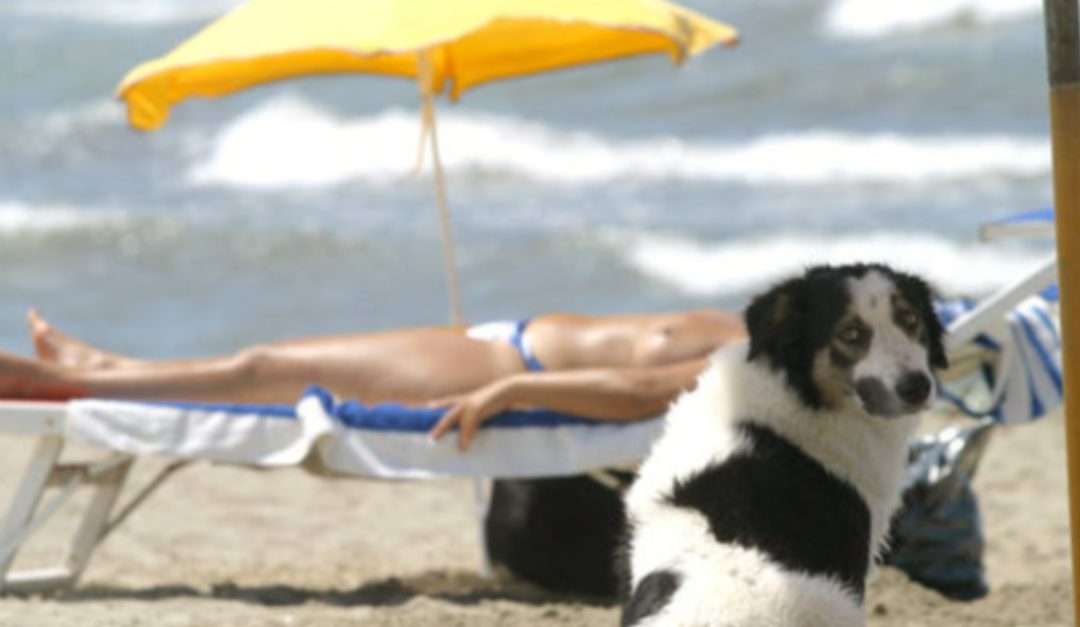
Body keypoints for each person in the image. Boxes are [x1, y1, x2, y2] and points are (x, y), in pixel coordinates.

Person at [0, 309, 746, 450]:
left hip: (504, 368)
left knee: (265, 370)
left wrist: (512, 391)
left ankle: (56, 381)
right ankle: (112, 370)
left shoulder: (765, 359)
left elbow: (644, 394)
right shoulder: (778, 325)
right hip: (503, 341)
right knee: (267, 360)